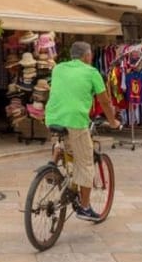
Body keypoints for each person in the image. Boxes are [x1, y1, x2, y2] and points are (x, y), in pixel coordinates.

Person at [44, 41, 122, 221]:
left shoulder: (58, 69)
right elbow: (104, 101)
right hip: (75, 121)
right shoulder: (92, 72)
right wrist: (112, 121)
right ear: (87, 56)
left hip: (52, 118)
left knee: (66, 143)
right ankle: (85, 208)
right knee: (86, 163)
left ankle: (53, 163)